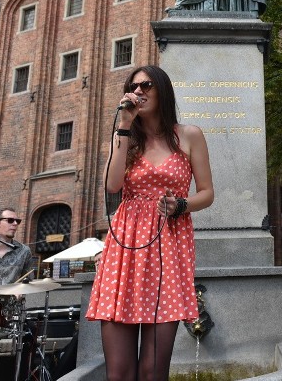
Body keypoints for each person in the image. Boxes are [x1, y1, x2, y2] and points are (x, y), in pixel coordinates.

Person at [86, 65, 214, 381]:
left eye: (146, 85)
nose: (139, 91)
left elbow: (208, 193)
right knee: (119, 373)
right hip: (125, 247)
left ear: (162, 89)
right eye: (133, 86)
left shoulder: (189, 135)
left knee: (153, 371)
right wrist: (124, 129)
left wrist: (181, 204)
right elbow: (112, 185)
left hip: (168, 246)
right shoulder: (126, 135)